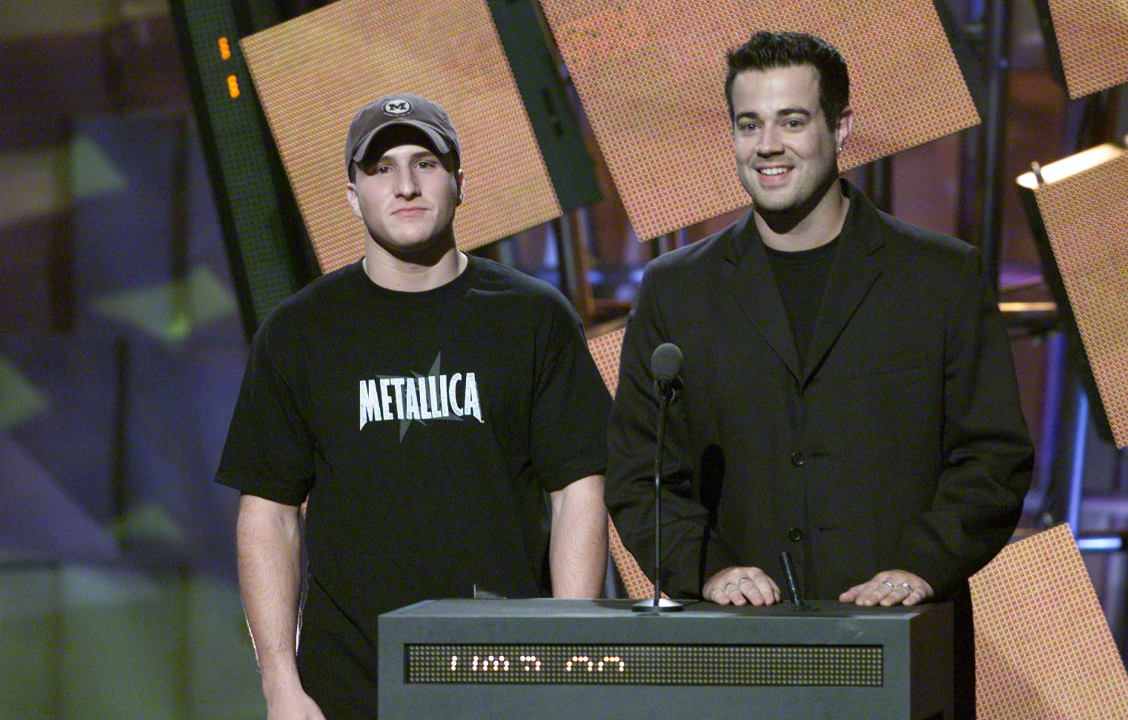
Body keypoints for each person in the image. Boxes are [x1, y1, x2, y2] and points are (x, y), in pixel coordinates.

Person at [605, 32, 1033, 717]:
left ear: (841, 128)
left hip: (898, 659)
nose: (768, 145)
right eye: (750, 124)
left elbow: (994, 455)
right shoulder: (676, 292)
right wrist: (708, 569)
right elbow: (640, 474)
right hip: (738, 663)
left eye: (792, 121)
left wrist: (921, 566)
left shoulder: (940, 278)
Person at [217, 94, 612, 720]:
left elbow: (578, 494)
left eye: (425, 162)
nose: (405, 184)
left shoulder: (532, 318)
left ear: (459, 182)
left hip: (506, 678)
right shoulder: (300, 333)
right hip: (348, 689)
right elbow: (268, 515)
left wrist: (564, 660)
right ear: (352, 195)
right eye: (381, 168)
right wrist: (280, 685)